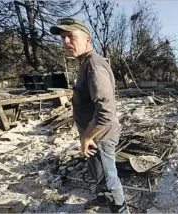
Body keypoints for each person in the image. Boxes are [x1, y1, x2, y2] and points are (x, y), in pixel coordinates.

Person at [50, 18, 128, 213]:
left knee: (110, 180)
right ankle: (102, 200)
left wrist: (87, 137)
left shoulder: (93, 65)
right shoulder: (85, 62)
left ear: (87, 39)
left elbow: (106, 112)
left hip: (99, 137)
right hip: (95, 135)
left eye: (71, 36)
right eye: (63, 38)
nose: (66, 42)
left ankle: (121, 210)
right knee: (99, 172)